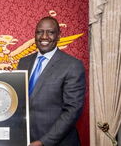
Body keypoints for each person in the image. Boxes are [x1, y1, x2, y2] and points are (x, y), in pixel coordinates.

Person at [17, 16, 86, 146]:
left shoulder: (72, 65)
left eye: (50, 32)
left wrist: (44, 142)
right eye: (39, 32)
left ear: (59, 35)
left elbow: (72, 111)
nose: (44, 36)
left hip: (57, 142)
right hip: (26, 140)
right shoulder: (23, 62)